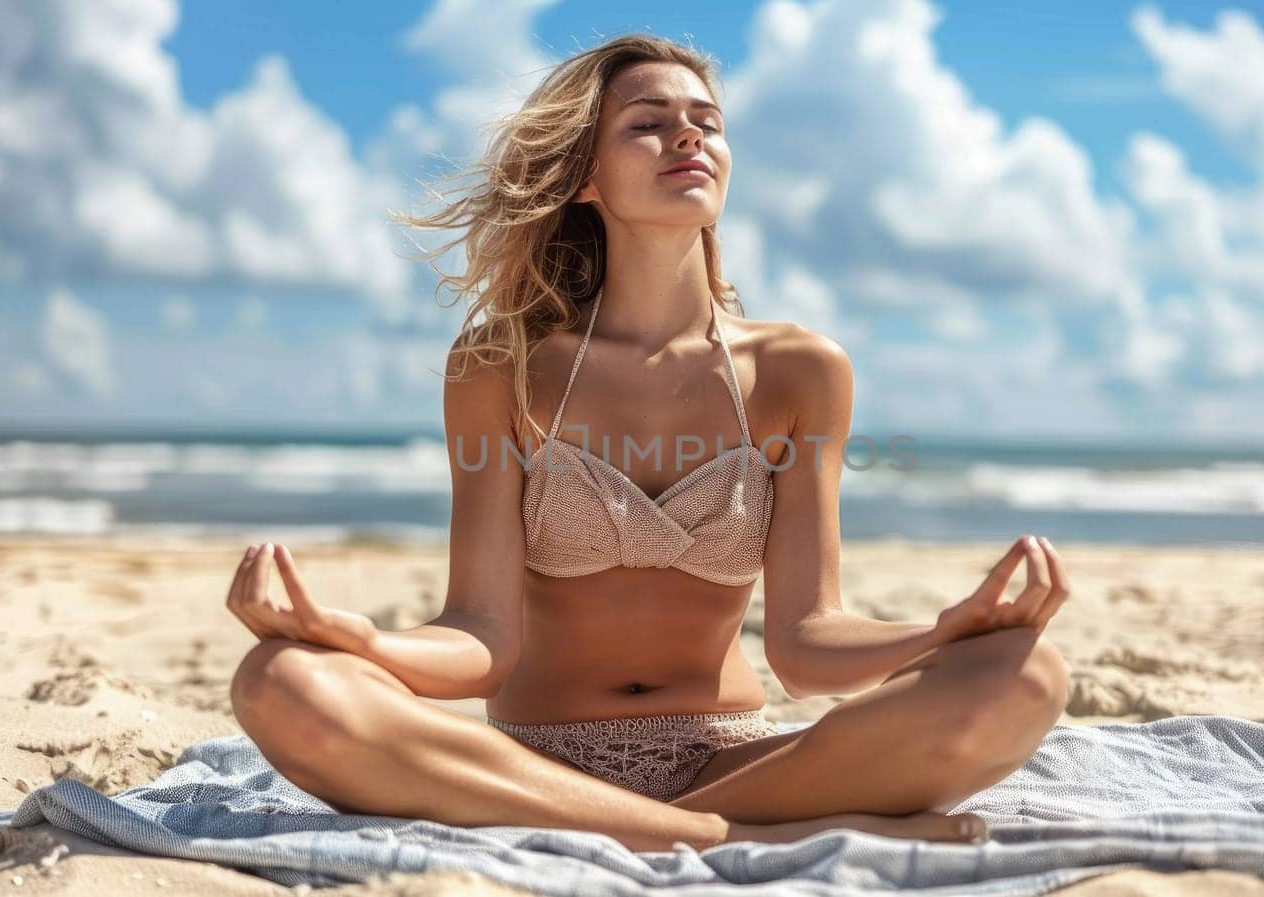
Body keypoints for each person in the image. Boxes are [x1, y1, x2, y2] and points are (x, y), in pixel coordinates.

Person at [224, 34, 1073, 854]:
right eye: (648, 122)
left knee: (1027, 675)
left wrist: (941, 630)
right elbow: (482, 635)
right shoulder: (502, 365)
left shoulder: (800, 370)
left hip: (740, 760)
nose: (688, 136)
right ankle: (716, 838)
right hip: (530, 764)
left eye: (706, 119)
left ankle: (688, 823)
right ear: (586, 176)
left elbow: (808, 643)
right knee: (282, 680)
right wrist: (367, 643)